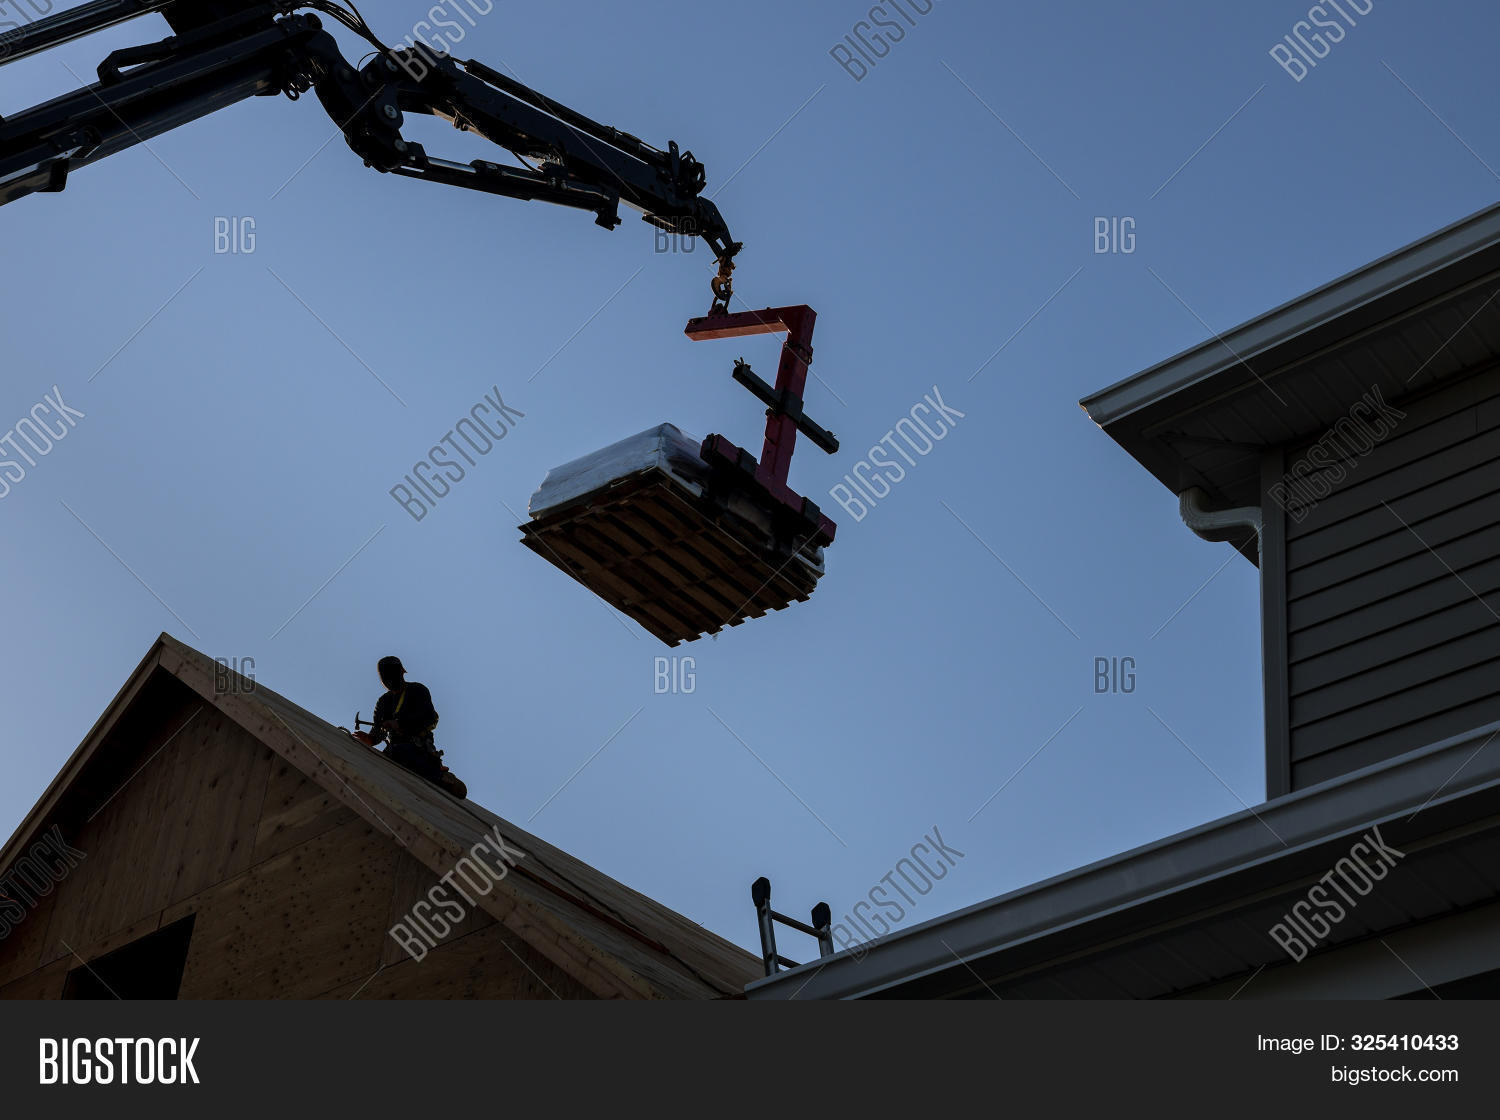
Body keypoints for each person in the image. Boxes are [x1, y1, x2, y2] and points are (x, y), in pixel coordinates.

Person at [366, 655, 444, 782]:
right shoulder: (384, 701)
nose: (387, 681)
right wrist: (369, 739)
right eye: (384, 677)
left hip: (419, 750)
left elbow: (429, 718)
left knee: (399, 753)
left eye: (390, 676)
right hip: (395, 750)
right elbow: (378, 729)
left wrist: (399, 724)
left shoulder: (417, 690)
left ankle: (439, 775)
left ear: (401, 672)